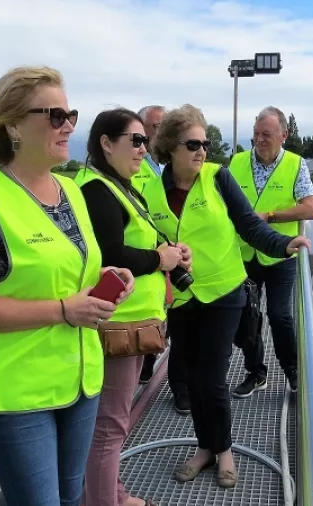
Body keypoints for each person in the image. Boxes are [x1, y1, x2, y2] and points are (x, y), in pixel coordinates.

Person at [0, 65, 135, 506]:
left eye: (71, 115)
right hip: (16, 396)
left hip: (81, 383)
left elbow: (74, 273)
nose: (68, 125)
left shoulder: (71, 192)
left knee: (71, 499)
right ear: (12, 124)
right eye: (53, 115)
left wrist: (110, 280)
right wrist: (64, 310)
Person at [141, 104, 311, 488]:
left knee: (213, 377)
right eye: (193, 143)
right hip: (182, 300)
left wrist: (284, 244)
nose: (202, 150)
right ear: (170, 147)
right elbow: (146, 241)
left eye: (206, 142)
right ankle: (205, 447)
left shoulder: (218, 177)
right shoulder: (149, 190)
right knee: (193, 376)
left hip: (225, 293)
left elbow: (249, 224)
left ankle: (225, 451)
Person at [75, 107, 190, 506]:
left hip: (128, 323)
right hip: (116, 326)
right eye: (135, 140)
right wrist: (160, 260)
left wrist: (169, 253)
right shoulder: (97, 191)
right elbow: (112, 255)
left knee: (111, 425)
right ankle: (105, 501)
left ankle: (113, 493)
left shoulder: (116, 185)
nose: (145, 148)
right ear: (106, 144)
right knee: (109, 427)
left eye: (146, 140)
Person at [230, 106, 313, 398]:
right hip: (245, 255)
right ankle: (256, 373)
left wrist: (269, 216)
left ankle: (292, 373)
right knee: (248, 316)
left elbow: (310, 208)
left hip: (282, 253)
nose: (260, 140)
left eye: (266, 134)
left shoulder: (296, 165)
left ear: (284, 135)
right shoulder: (237, 163)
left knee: (280, 315)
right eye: (256, 134)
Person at [134, 105, 191, 415]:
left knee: (178, 323)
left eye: (163, 126)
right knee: (155, 317)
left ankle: (179, 388)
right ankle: (145, 364)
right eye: (153, 126)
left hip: (176, 255)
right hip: (151, 257)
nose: (157, 132)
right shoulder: (133, 164)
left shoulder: (172, 163)